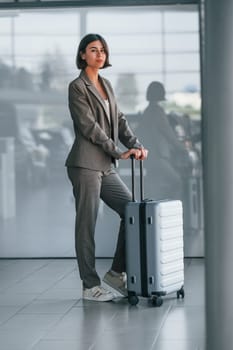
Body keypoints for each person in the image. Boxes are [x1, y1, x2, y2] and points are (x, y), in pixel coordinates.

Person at [65, 33, 148, 302]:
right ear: (82, 55)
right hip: (85, 164)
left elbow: (119, 120)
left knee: (132, 211)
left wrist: (136, 144)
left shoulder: (107, 84)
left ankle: (115, 273)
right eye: (93, 50)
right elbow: (89, 127)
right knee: (86, 225)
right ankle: (90, 286)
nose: (99, 54)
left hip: (105, 166)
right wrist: (118, 152)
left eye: (102, 50)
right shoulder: (77, 87)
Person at [137, 81, 191, 201]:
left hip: (150, 158)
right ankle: (172, 209)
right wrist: (183, 148)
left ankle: (159, 207)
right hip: (159, 158)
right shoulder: (158, 112)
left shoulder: (147, 112)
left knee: (153, 190)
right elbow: (169, 135)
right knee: (178, 182)